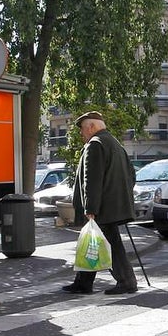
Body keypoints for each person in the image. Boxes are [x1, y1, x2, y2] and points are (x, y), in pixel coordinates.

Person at [62, 110, 139, 295]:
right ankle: (83, 282)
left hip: (102, 207)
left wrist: (91, 207)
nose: (82, 134)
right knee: (93, 242)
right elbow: (132, 175)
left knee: (109, 244)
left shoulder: (95, 145)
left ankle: (127, 281)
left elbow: (92, 180)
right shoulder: (115, 144)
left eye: (82, 129)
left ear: (91, 127)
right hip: (113, 205)